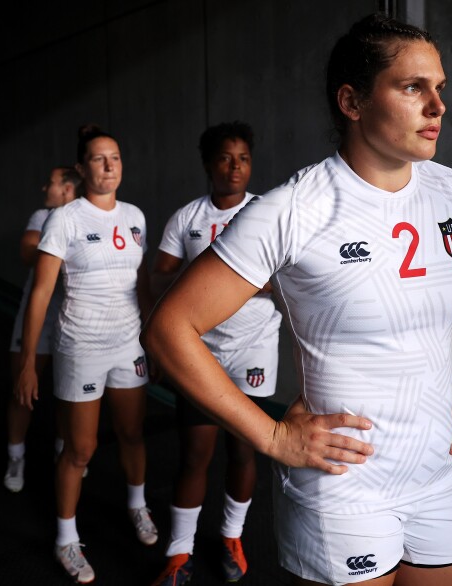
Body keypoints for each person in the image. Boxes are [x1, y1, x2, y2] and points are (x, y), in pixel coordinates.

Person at [143, 13, 452, 586]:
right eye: (413, 87)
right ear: (352, 102)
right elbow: (169, 327)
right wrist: (272, 436)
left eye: (439, 88)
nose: (437, 106)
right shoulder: (294, 209)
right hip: (345, 486)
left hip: (438, 473)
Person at [17, 126, 157, 583]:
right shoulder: (66, 219)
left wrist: (152, 339)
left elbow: (140, 284)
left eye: (115, 157)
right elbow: (41, 292)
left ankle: (137, 506)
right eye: (98, 159)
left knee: (133, 433)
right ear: (82, 168)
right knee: (80, 449)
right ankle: (66, 539)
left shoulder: (135, 216)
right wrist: (27, 363)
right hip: (80, 346)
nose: (109, 166)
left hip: (128, 343)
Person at [151, 122, 281, 585]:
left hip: (254, 350)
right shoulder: (188, 217)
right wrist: (190, 291)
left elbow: (287, 279)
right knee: (194, 454)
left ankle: (231, 536)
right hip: (199, 351)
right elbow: (158, 275)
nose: (235, 167)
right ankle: (179, 552)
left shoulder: (267, 214)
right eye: (225, 158)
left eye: (243, 158)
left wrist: (234, 281)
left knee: (243, 451)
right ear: (209, 164)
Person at [4, 165, 80, 493]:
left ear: (66, 189)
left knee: (69, 395)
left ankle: (64, 453)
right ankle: (15, 456)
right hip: (37, 316)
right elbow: (26, 253)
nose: (43, 188)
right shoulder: (42, 216)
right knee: (23, 389)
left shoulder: (90, 216)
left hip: (73, 318)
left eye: (49, 183)